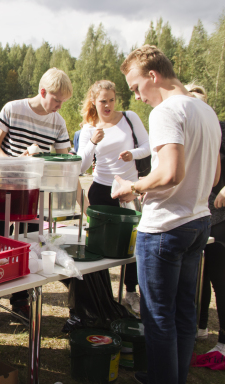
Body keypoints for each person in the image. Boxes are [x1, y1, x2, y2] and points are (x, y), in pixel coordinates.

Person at [113, 45, 221, 384]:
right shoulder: (204, 110)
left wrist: (133, 187)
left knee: (159, 317)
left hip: (164, 228)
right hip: (198, 220)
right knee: (185, 312)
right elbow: (215, 175)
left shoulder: (165, 111)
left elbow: (171, 172)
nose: (138, 97)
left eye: (135, 88)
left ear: (153, 76)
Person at [0, 67, 74, 327]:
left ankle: (20, 298)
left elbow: (63, 158)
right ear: (42, 92)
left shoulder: (58, 122)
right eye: (56, 100)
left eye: (62, 102)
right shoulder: (13, 108)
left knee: (30, 247)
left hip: (34, 196)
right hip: (7, 193)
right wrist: (14, 165)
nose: (58, 107)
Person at [78, 80, 150, 314]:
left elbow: (149, 146)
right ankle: (103, 296)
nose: (107, 105)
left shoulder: (130, 118)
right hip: (100, 190)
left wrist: (133, 154)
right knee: (100, 246)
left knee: (132, 244)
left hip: (128, 190)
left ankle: (130, 292)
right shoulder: (89, 128)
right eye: (102, 101)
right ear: (94, 102)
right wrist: (92, 142)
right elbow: (81, 166)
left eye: (111, 100)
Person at [185, 83, 225, 356]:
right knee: (196, 277)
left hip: (219, 215)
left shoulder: (219, 128)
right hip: (195, 215)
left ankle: (223, 341)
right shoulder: (184, 132)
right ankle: (199, 327)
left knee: (219, 277)